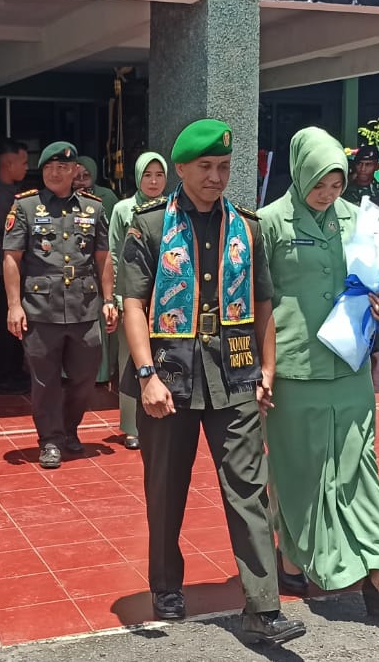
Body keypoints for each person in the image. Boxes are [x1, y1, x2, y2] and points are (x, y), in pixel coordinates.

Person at [119, 119, 305, 645]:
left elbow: (264, 303)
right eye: (205, 167)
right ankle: (165, 584)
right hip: (169, 375)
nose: (216, 177)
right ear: (180, 168)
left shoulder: (247, 227)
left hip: (235, 372)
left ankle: (263, 607)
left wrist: (267, 370)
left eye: (223, 167)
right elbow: (132, 304)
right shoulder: (150, 226)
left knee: (249, 489)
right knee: (165, 487)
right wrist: (146, 375)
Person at [260, 127, 379, 618]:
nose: (328, 194)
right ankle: (291, 556)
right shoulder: (269, 223)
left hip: (351, 366)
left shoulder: (361, 221)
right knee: (297, 471)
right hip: (293, 368)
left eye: (336, 184)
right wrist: (263, 369)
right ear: (299, 172)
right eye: (319, 184)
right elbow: (257, 302)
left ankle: (378, 573)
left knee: (359, 467)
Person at [4, 142, 118, 470]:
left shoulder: (93, 208)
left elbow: (103, 258)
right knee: (45, 381)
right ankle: (50, 439)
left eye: (63, 167)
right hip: (41, 308)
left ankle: (69, 429)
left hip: (84, 307)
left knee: (84, 377)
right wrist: (14, 305)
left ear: (75, 171)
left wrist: (109, 300)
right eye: (50, 167)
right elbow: (11, 259)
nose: (56, 173)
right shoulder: (26, 207)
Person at [106, 152, 168, 451]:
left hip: (164, 298)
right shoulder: (123, 209)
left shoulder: (172, 207)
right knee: (130, 360)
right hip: (131, 297)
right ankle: (131, 426)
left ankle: (161, 416)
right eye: (147, 175)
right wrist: (117, 297)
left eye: (159, 175)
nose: (153, 181)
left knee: (163, 358)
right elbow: (114, 253)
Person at [0, 138, 31, 394]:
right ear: (8, 164)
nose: (26, 167)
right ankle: (1, 376)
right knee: (7, 324)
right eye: (23, 162)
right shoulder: (0, 195)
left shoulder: (13, 190)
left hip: (16, 269)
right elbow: (15, 233)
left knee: (16, 323)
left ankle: (14, 371)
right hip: (2, 268)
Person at [73, 157, 122, 387]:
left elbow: (112, 233)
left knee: (101, 321)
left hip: (101, 266)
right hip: (76, 269)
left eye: (86, 176)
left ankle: (102, 372)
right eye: (77, 177)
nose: (81, 182)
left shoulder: (106, 197)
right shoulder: (65, 198)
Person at [340, 144, 379, 219]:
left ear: (377, 166)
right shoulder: (342, 191)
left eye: (368, 165)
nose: (363, 169)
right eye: (359, 164)